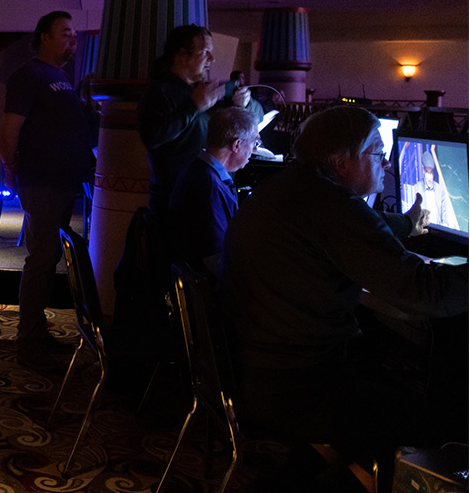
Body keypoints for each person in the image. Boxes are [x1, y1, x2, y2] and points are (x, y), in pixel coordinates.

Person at [222, 105, 465, 448]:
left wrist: (407, 223)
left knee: (382, 357)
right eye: (378, 152)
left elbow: (359, 228)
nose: (385, 163)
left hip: (254, 371)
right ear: (341, 161)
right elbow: (426, 293)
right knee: (441, 420)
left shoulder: (285, 189)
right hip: (296, 387)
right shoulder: (330, 205)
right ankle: (350, 492)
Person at [0, 11, 97, 368]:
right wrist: (11, 168)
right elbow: (9, 129)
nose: (73, 40)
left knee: (50, 256)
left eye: (74, 35)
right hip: (41, 180)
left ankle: (36, 332)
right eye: (66, 33)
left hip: (62, 180)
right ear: (45, 37)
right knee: (41, 258)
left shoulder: (61, 77)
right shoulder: (29, 75)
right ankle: (29, 340)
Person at [138, 24, 261, 220]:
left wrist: (241, 105)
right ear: (182, 56)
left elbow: (221, 132)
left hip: (207, 192)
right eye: (205, 52)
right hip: (173, 201)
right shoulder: (159, 91)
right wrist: (194, 106)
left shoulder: (199, 91)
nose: (211, 59)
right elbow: (153, 137)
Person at [167, 107, 258, 271]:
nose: (255, 149)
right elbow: (214, 260)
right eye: (254, 142)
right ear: (236, 144)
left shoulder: (198, 169)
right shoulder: (209, 186)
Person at [403, 149, 459, 230]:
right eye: (427, 172)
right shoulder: (416, 187)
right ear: (423, 169)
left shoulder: (440, 189)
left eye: (431, 172)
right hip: (422, 231)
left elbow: (445, 215)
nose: (429, 177)